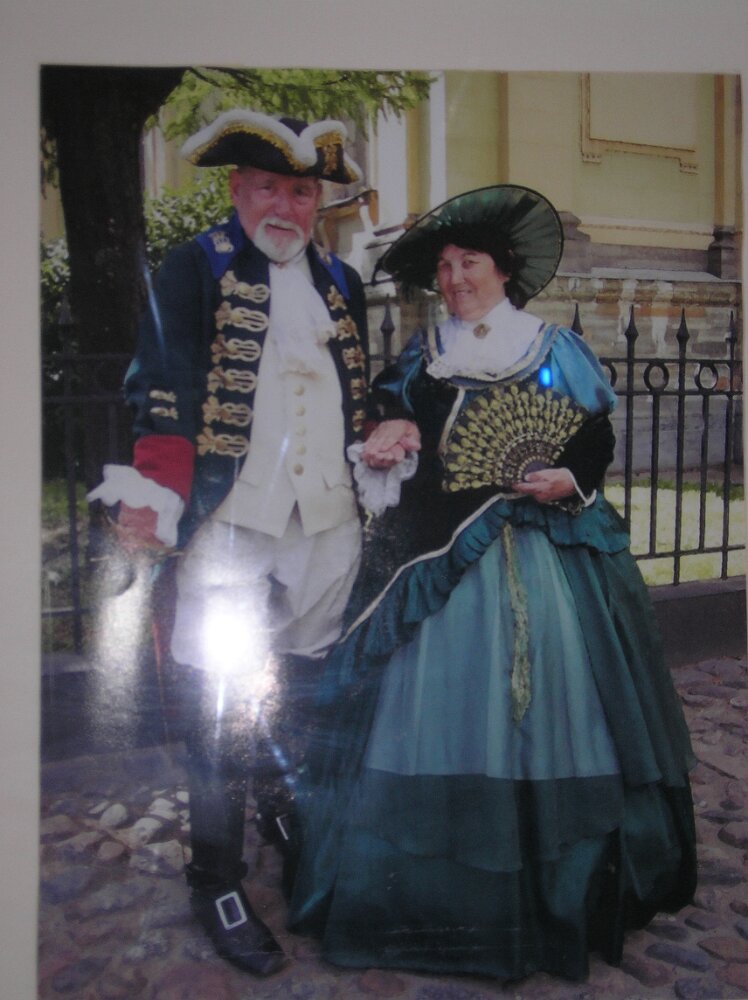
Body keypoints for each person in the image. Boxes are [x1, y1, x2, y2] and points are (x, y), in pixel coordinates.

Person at [287, 185, 697, 982]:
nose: (453, 279)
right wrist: (390, 436)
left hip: (546, 552)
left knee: (560, 703)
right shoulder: (422, 356)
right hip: (443, 558)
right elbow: (394, 424)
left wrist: (568, 479)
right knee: (432, 708)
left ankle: (558, 885)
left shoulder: (552, 347)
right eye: (443, 267)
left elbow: (594, 436)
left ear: (503, 269)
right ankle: (438, 897)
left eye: (467, 262)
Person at [88, 108, 418, 976]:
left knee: (301, 683)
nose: (285, 206)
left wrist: (383, 428)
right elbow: (161, 385)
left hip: (328, 520)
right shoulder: (195, 267)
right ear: (237, 188)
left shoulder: (341, 280)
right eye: (268, 187)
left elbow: (353, 392)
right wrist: (157, 492)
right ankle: (215, 876)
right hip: (231, 522)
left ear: (317, 202)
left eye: (301, 192)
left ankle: (279, 808)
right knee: (219, 697)